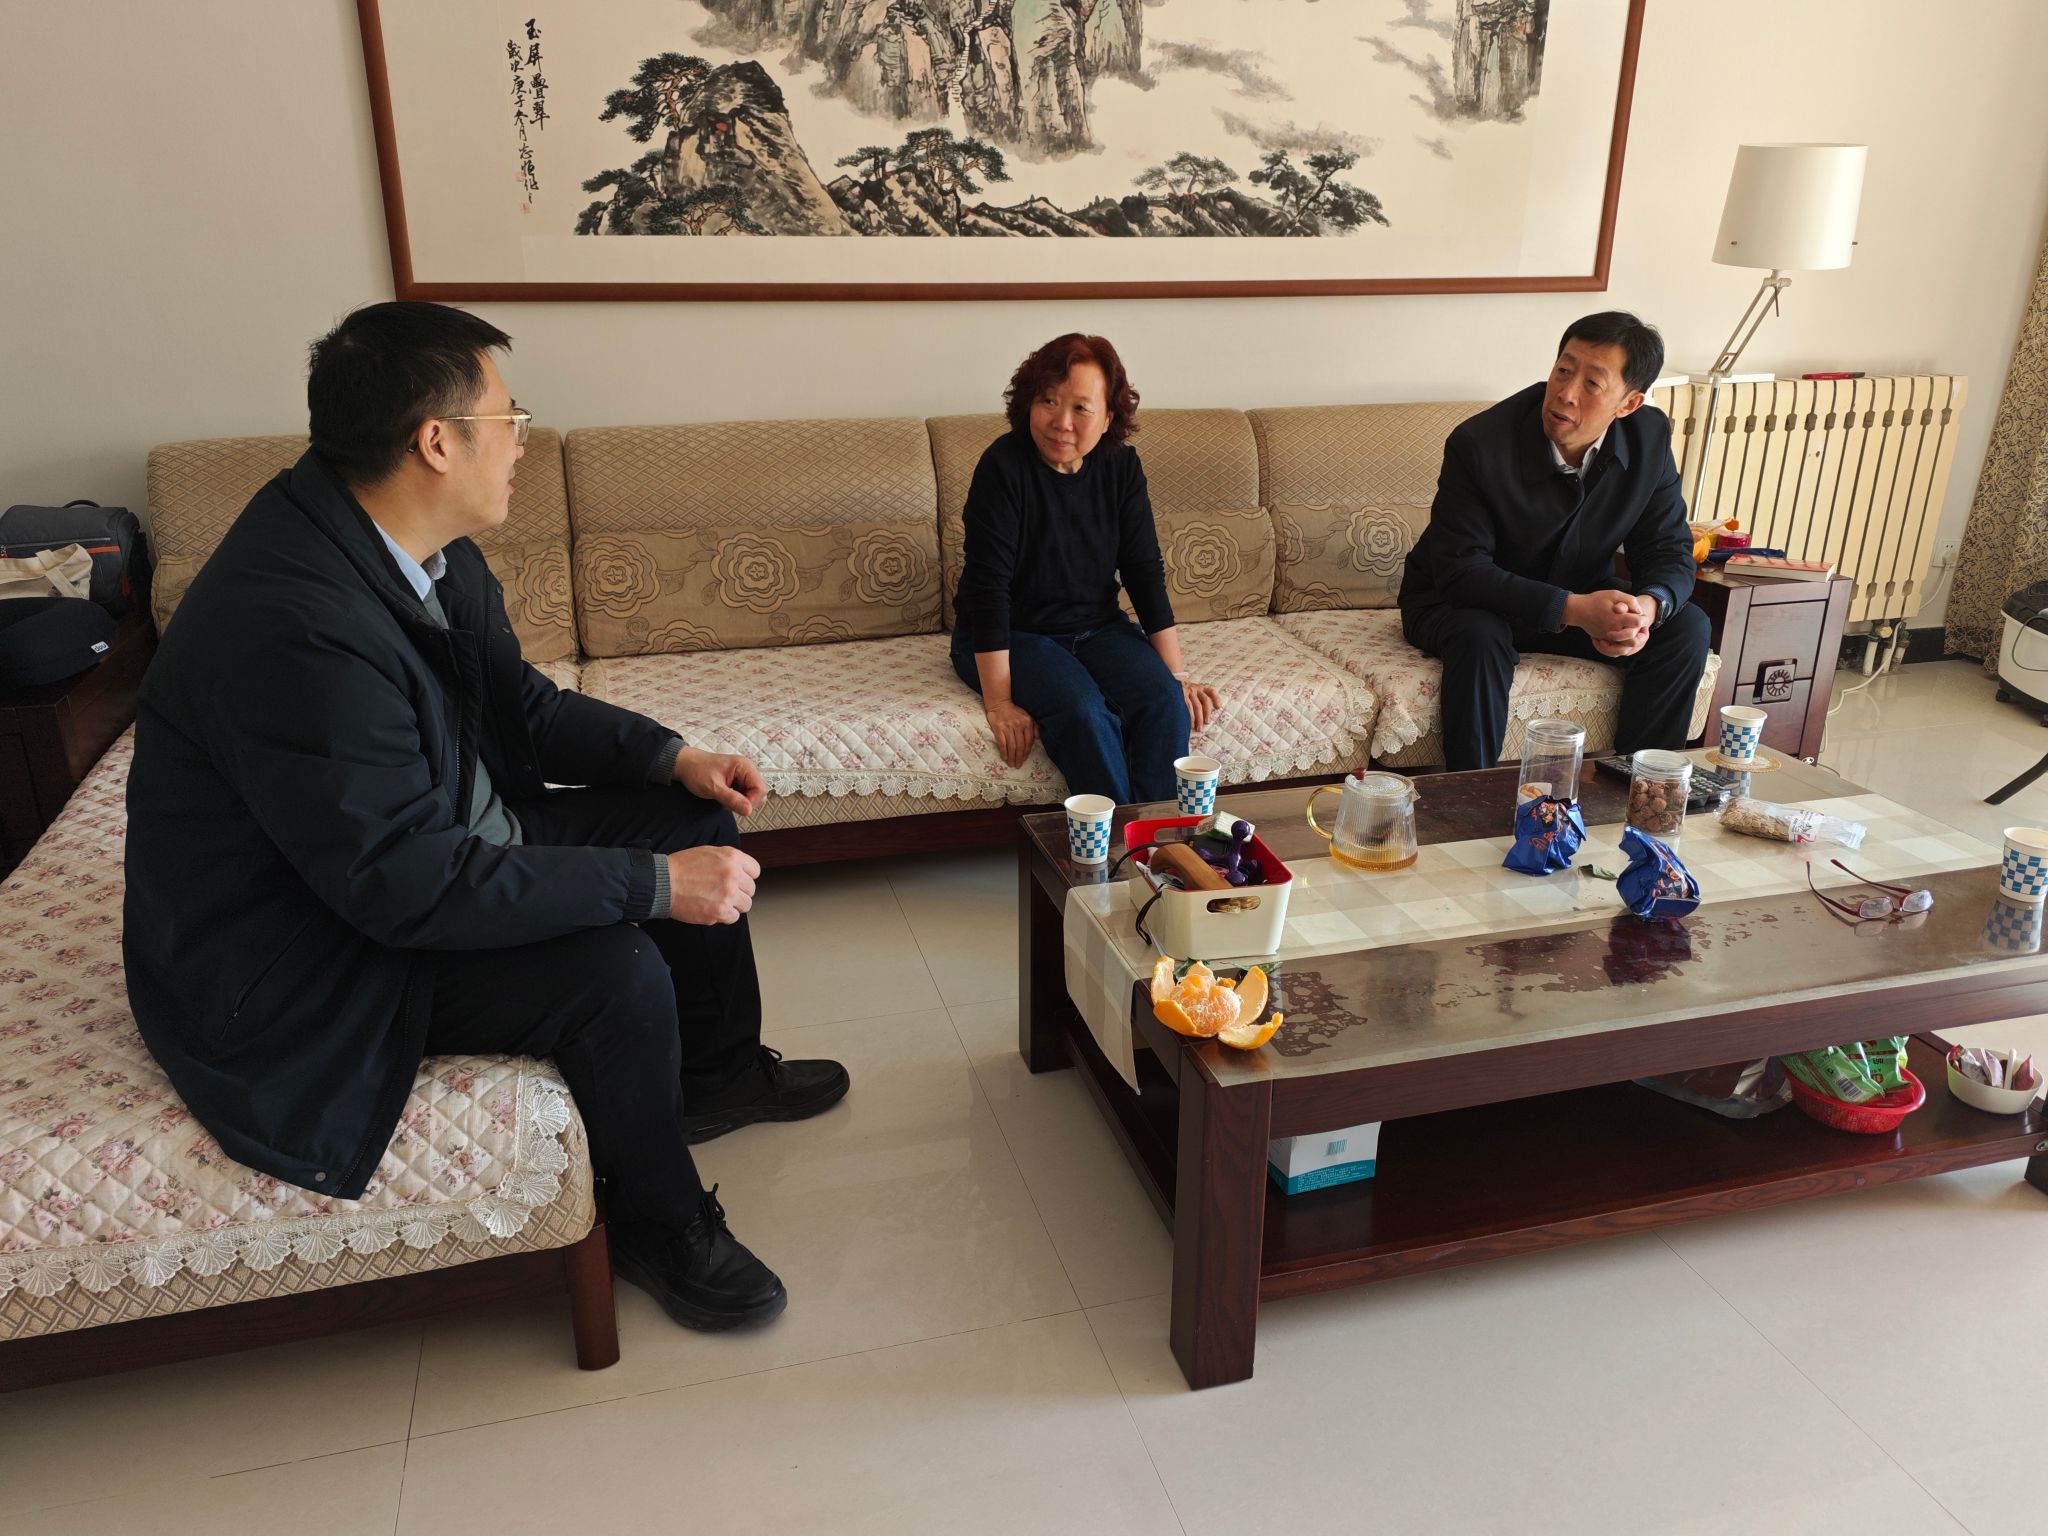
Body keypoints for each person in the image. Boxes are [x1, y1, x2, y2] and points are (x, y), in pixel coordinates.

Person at [123, 302, 848, 1332]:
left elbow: (519, 707)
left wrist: (671, 758)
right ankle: (658, 1221)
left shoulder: (422, 548)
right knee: (616, 972)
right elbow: (402, 881)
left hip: (429, 849)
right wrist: (650, 888)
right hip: (307, 949)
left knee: (692, 826)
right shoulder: (295, 627)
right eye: (508, 419)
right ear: (436, 441)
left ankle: (717, 1079)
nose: (520, 443)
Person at [1398, 311, 1711, 772]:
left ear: (1628, 403)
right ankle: (1472, 792)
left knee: (1687, 627)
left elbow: (1667, 548)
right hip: (1462, 601)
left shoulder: (1649, 437)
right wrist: (1575, 609)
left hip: (1577, 599)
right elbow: (1462, 572)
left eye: (1592, 383)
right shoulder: (1480, 443)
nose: (1565, 392)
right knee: (1480, 637)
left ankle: (1642, 786)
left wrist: (1645, 610)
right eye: (1563, 370)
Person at [951, 333, 1220, 804]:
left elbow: (1143, 570)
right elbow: (988, 589)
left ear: (1109, 417)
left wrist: (1175, 677)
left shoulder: (1121, 466)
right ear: (1029, 403)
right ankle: (1118, 842)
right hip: (1014, 635)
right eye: (1048, 401)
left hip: (1097, 629)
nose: (1061, 422)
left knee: (1164, 703)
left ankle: (1163, 840)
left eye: (1080, 408)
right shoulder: (1003, 466)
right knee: (1083, 711)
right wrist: (1000, 703)